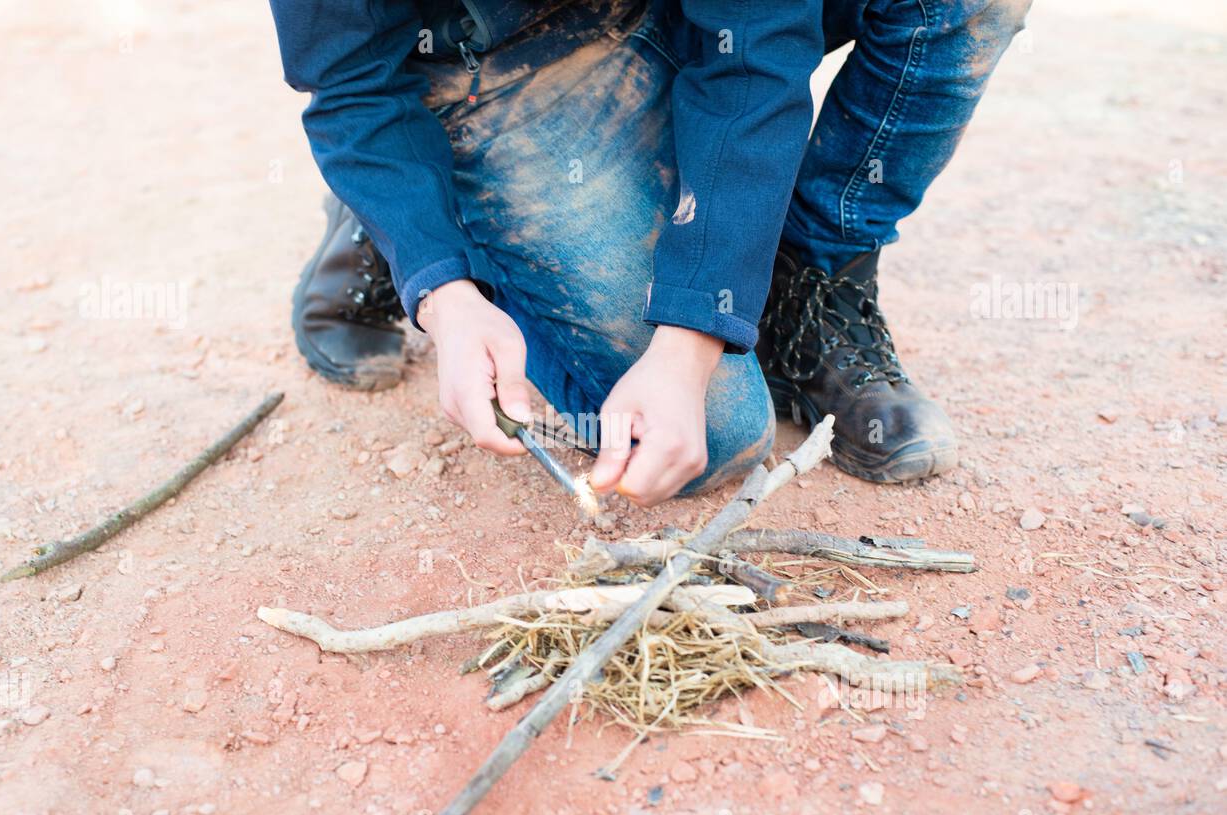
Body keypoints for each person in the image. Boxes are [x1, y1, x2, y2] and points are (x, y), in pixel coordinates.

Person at [270, 0, 1031, 504]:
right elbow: (349, 80)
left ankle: (808, 285)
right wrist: (446, 291)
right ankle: (408, 209)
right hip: (487, 61)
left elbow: (753, 48)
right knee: (722, 438)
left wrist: (696, 329)